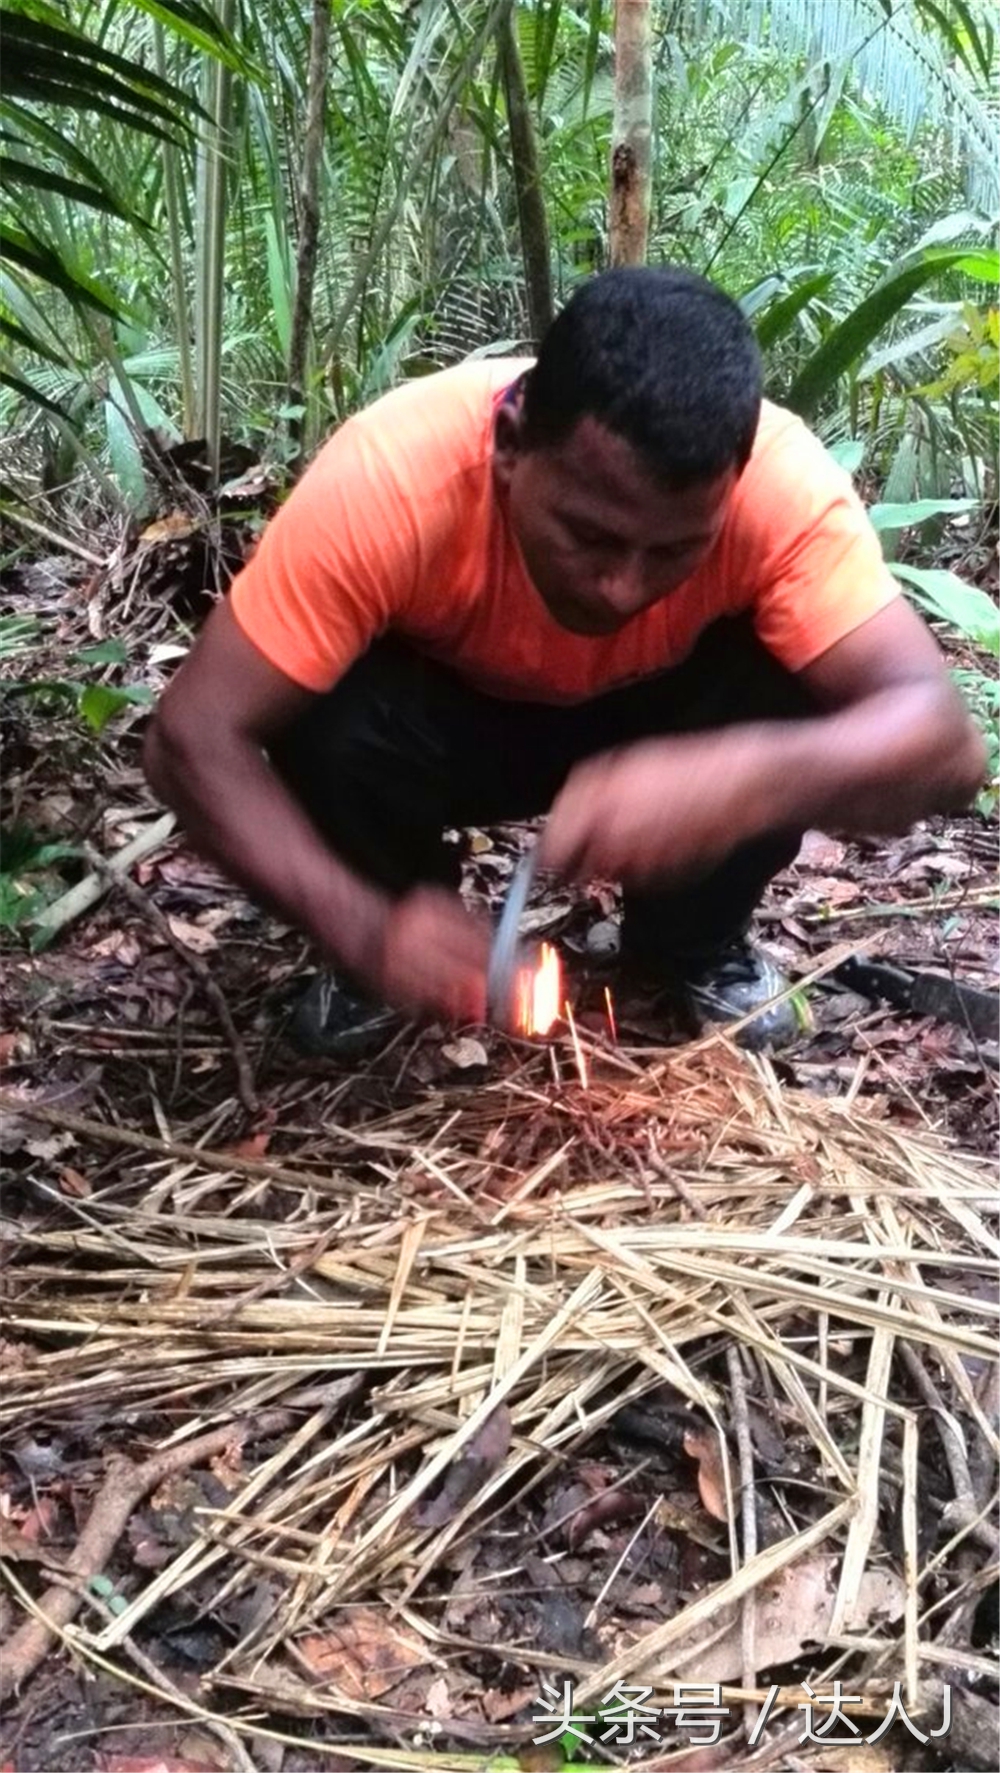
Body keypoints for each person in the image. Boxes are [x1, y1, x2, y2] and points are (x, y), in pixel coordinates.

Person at [144, 266, 985, 1053]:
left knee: (800, 686)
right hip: (449, 720)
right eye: (589, 534)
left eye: (675, 551)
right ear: (510, 443)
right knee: (319, 701)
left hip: (664, 716)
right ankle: (397, 930)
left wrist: (737, 778)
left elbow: (944, 745)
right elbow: (192, 736)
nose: (623, 588)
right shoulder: (394, 477)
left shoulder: (781, 488)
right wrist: (359, 924)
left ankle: (691, 942)